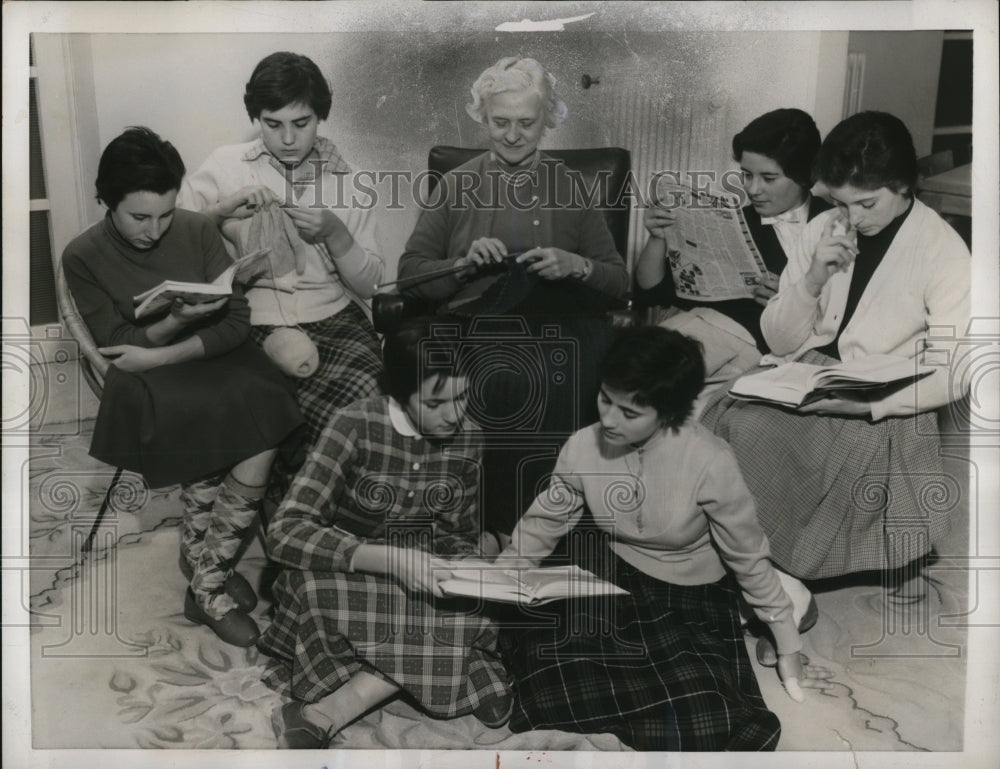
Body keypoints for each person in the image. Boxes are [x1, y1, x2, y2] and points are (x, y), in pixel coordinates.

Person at [700, 111, 971, 664]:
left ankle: (772, 584)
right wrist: (812, 280)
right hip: (809, 372)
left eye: (866, 204)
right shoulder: (825, 229)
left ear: (903, 189)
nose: (849, 218)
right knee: (723, 418)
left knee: (762, 435)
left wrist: (872, 406)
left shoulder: (942, 251)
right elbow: (776, 335)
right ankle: (751, 574)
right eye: (840, 202)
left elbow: (956, 369)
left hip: (888, 393)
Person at [493, 326, 831, 751]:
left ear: (668, 413)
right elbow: (545, 521)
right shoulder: (583, 446)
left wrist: (787, 645)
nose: (608, 420)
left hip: (689, 589)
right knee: (553, 684)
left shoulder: (710, 462)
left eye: (629, 412)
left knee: (701, 715)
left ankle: (788, 606)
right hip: (611, 568)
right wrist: (505, 573)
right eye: (604, 399)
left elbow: (748, 557)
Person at [62, 127, 305, 647]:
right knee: (210, 413)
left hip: (201, 352)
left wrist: (169, 343)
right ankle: (210, 582)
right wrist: (175, 323)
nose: (155, 230)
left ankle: (205, 571)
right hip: (143, 374)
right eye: (139, 217)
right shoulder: (81, 255)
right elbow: (115, 344)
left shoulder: (195, 229)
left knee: (264, 412)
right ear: (105, 200)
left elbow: (237, 320)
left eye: (166, 213)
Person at [395, 56, 630, 540]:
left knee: (564, 364)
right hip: (480, 319)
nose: (513, 135)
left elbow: (618, 281)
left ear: (548, 120)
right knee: (506, 370)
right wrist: (461, 265)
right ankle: (501, 525)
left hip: (563, 319)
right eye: (500, 122)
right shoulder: (456, 185)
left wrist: (576, 265)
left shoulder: (571, 186)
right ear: (482, 118)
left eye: (526, 123)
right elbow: (409, 277)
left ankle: (554, 523)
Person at [260, 319, 511, 749]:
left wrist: (466, 563)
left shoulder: (468, 437)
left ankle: (330, 709)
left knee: (479, 598)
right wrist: (384, 559)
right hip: (342, 565)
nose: (454, 415)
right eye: (435, 402)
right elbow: (285, 533)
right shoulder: (355, 424)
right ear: (398, 393)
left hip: (419, 571)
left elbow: (456, 534)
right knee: (314, 595)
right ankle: (465, 674)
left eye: (463, 397)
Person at [178, 51, 384, 446]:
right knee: (258, 406)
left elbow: (371, 288)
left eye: (301, 123)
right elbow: (177, 240)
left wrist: (337, 235)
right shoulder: (225, 165)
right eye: (272, 124)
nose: (288, 139)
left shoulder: (351, 181)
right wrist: (220, 211)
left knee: (367, 404)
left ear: (320, 117)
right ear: (257, 119)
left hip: (333, 319)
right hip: (248, 323)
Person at [635, 108, 831, 380]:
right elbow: (651, 291)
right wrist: (657, 238)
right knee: (641, 373)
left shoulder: (834, 223)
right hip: (702, 329)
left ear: (804, 176)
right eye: (747, 175)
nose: (752, 189)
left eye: (768, 178)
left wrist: (791, 297)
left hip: (764, 348)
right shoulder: (733, 221)